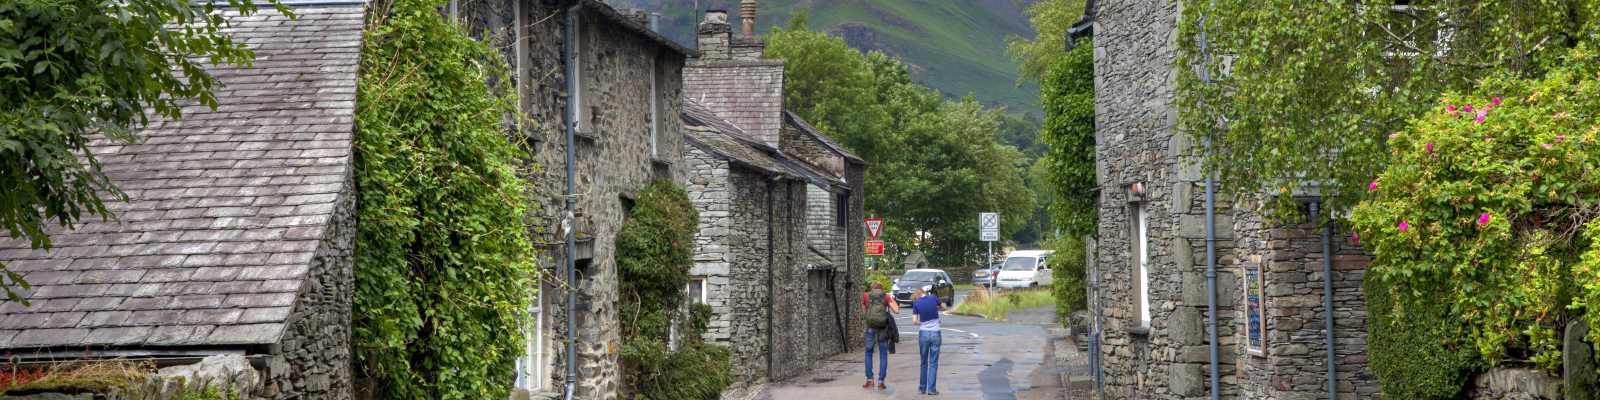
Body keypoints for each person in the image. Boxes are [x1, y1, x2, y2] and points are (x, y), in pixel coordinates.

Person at [861, 282, 900, 390]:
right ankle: (881, 381)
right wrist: (890, 301)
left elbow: (863, 312)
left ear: (872, 288)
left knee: (868, 352)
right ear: (881, 289)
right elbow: (896, 310)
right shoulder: (886, 296)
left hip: (870, 327)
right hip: (883, 328)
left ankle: (869, 380)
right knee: (883, 354)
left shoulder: (866, 295)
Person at [912, 285, 946, 395]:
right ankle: (931, 389)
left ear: (916, 296)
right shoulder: (933, 298)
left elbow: (914, 321)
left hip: (924, 334)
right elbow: (943, 307)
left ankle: (922, 388)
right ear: (924, 292)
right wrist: (938, 308)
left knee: (923, 362)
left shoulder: (916, 303)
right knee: (933, 362)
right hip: (936, 333)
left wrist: (923, 322)